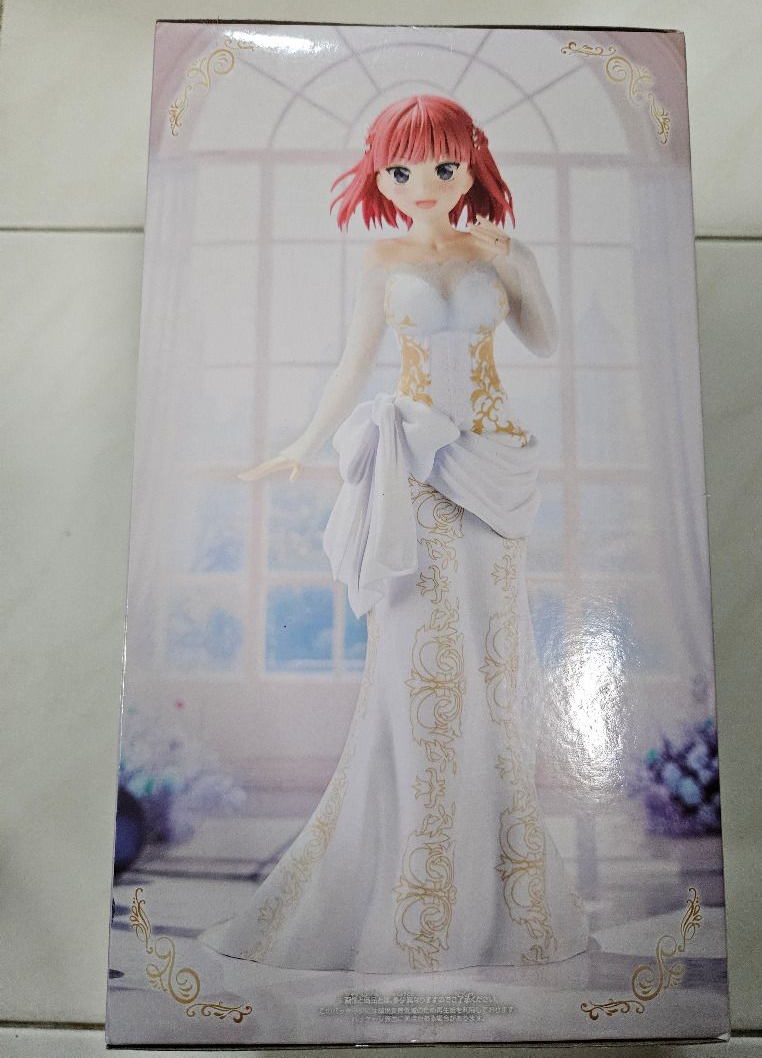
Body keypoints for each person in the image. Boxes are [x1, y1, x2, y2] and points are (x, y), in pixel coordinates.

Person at [201, 94, 589, 973]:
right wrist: (301, 444)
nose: (424, 185)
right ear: (380, 172)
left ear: (471, 165)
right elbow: (352, 364)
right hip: (415, 466)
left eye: (444, 167)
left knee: (492, 664)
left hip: (492, 469)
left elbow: (543, 340)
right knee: (418, 669)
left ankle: (497, 903)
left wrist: (521, 266)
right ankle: (415, 889)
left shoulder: (498, 250)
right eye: (402, 169)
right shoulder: (381, 260)